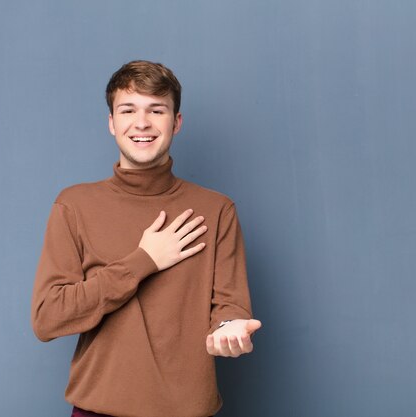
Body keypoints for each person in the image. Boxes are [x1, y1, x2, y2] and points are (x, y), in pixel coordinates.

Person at [31, 60, 262, 417]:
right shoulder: (74, 205)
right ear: (112, 122)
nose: (142, 123)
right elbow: (48, 318)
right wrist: (144, 260)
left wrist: (230, 328)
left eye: (157, 109)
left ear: (176, 122)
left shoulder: (216, 210)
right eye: (128, 110)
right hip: (98, 410)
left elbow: (230, 307)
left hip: (188, 410)